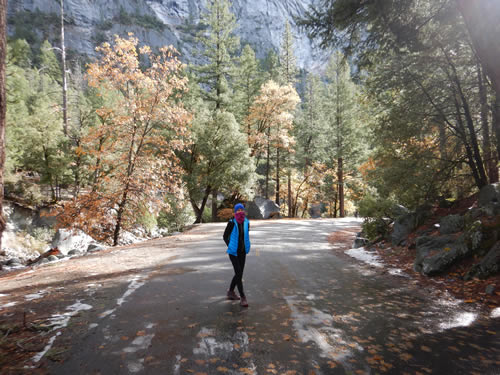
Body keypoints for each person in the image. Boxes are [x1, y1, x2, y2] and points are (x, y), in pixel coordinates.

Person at [223, 203, 250, 307]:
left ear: (243, 211)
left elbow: (246, 235)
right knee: (238, 273)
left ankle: (230, 291)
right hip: (233, 252)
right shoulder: (231, 222)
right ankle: (243, 297)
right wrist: (230, 246)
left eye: (241, 210)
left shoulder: (247, 222)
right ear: (235, 212)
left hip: (242, 252)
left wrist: (246, 245)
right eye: (237, 210)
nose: (240, 212)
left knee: (239, 274)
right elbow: (225, 236)